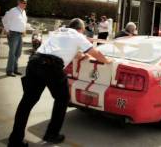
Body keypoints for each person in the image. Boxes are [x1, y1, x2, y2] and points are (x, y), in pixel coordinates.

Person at [8, 18, 113, 147]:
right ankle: (52, 134)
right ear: (81, 29)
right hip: (51, 66)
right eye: (83, 30)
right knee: (63, 98)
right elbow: (95, 53)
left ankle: (15, 140)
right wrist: (107, 61)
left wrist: (80, 55)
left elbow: (63, 49)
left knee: (27, 102)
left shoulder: (59, 32)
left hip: (34, 62)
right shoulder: (77, 36)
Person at [2, 0, 28, 77]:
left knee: (18, 53)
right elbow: (4, 19)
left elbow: (23, 22)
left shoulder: (23, 12)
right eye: (23, 3)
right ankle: (9, 71)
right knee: (12, 53)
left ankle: (15, 69)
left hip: (19, 34)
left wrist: (24, 30)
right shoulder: (13, 10)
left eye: (26, 3)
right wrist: (7, 30)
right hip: (13, 34)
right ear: (19, 3)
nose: (25, 4)